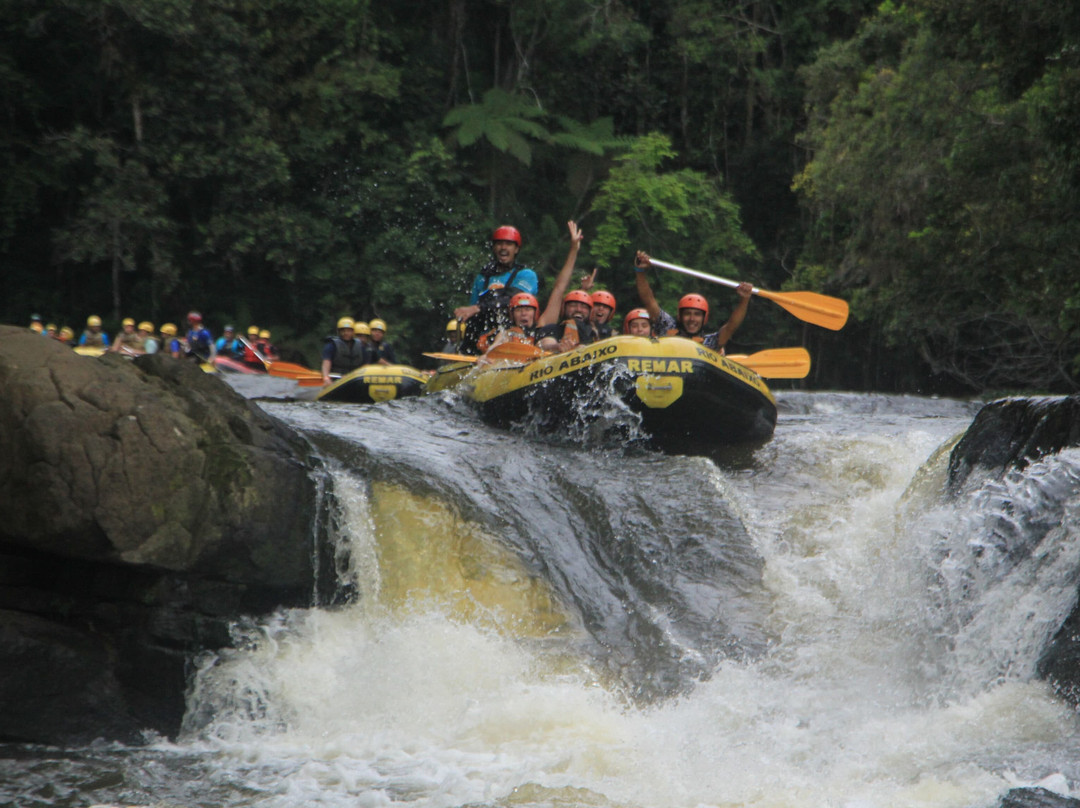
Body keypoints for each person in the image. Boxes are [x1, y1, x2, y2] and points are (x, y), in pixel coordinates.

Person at [633, 251, 751, 352]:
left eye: (697, 314)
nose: (692, 319)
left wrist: (744, 299)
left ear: (704, 318)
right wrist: (640, 271)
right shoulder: (667, 326)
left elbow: (731, 326)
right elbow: (648, 299)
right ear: (680, 316)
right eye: (687, 313)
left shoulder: (709, 343)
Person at [454, 225, 539, 354]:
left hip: (514, 333)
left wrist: (478, 308)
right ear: (494, 248)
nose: (503, 248)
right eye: (499, 244)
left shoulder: (526, 275)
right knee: (472, 326)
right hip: (485, 336)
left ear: (516, 249)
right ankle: (466, 354)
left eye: (508, 244)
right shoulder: (482, 278)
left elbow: (512, 299)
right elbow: (472, 311)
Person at [321, 317, 368, 384]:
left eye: (349, 331)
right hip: (336, 378)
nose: (346, 333)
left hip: (355, 378)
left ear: (353, 332)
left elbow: (365, 365)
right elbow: (326, 362)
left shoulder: (360, 346)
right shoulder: (332, 345)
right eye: (343, 331)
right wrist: (326, 378)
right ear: (339, 332)